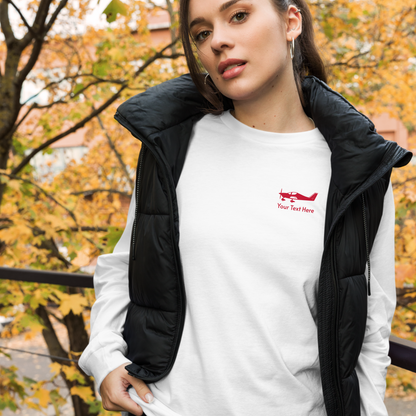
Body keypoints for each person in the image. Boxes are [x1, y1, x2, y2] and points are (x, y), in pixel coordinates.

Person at [79, 0, 412, 415]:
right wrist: (104, 357)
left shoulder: (359, 169)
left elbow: (371, 327)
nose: (217, 41)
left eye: (238, 16)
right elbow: (125, 266)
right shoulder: (172, 144)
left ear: (291, 21)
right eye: (202, 33)